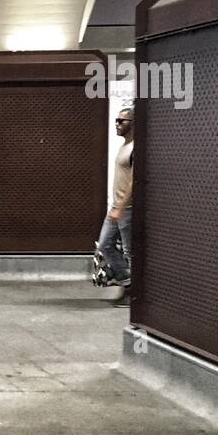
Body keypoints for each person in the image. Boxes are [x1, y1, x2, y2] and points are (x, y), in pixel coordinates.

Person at [95, 105, 134, 307]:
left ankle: (133, 293)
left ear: (133, 124)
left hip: (126, 209)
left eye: (121, 121)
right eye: (116, 120)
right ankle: (127, 282)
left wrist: (121, 207)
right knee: (105, 245)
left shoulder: (135, 148)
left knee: (129, 251)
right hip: (116, 208)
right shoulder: (124, 146)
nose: (117, 124)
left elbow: (133, 183)